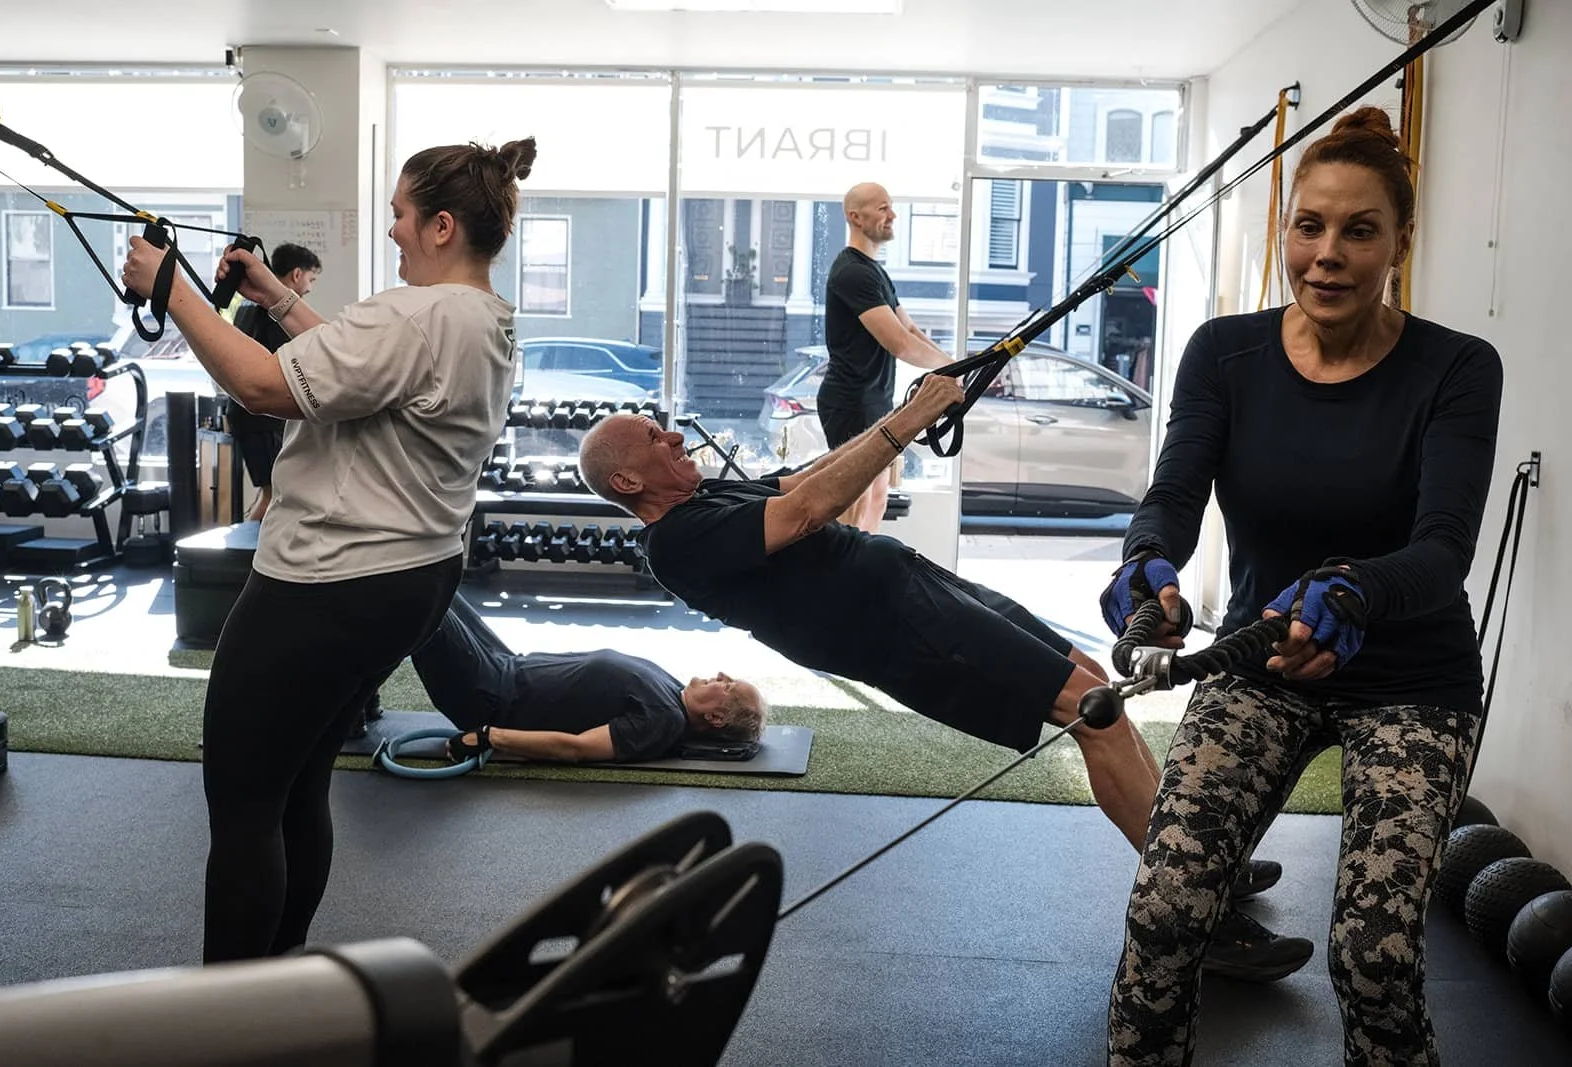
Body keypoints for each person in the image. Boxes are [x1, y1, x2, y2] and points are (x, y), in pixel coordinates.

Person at [578, 379, 1307, 979]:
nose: (673, 435)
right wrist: (914, 418)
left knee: (1093, 682)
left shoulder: (702, 501)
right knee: (1096, 714)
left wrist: (904, 414)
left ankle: (1205, 861)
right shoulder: (675, 543)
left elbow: (801, 479)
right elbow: (805, 511)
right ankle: (1194, 913)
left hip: (919, 591)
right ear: (627, 478)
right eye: (653, 436)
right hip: (911, 636)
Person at [1105, 107, 1503, 1066]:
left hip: (1412, 678)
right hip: (1262, 658)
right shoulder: (1224, 353)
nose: (1326, 254)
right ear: (1287, 231)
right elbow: (1171, 495)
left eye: (1358, 230)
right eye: (1308, 226)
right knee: (1164, 913)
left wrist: (1354, 591)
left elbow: (1442, 546)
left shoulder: (1456, 367)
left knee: (1373, 952)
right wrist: (1142, 565)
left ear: (1401, 241)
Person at [121, 136, 536, 964]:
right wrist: (276, 298)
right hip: (409, 583)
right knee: (299, 785)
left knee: (244, 809)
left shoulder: (413, 314)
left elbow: (265, 386)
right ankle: (282, 993)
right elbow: (351, 369)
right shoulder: (482, 318)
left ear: (444, 225)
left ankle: (230, 1019)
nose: (392, 232)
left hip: (321, 587)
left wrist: (172, 291)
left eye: (400, 216)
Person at [407, 593, 766, 765]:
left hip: (488, 696)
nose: (721, 676)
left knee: (414, 597)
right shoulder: (672, 691)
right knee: (440, 577)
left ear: (716, 718)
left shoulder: (662, 722)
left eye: (729, 686)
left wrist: (488, 736)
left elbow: (576, 748)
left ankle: (355, 698)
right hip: (504, 663)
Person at [819, 182, 954, 532]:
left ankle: (862, 575)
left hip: (875, 400)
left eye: (890, 207)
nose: (892, 215)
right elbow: (900, 344)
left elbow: (910, 330)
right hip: (850, 401)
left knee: (879, 496)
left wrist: (957, 366)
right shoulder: (851, 272)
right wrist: (948, 371)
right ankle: (838, 578)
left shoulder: (874, 271)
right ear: (855, 216)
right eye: (882, 208)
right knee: (854, 502)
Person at [227, 242, 323, 521]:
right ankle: (250, 558)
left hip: (244, 415)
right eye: (310, 279)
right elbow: (288, 366)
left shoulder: (247, 308)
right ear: (296, 274)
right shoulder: (277, 316)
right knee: (273, 495)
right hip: (263, 420)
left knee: (269, 492)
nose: (310, 287)